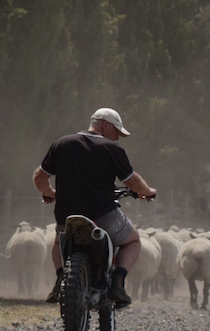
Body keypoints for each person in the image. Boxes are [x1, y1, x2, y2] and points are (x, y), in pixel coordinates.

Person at [33, 107, 156, 307]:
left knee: (57, 242)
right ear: (105, 125)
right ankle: (118, 282)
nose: (117, 138)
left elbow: (40, 177)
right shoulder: (112, 149)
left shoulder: (62, 143)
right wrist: (148, 191)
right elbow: (132, 182)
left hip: (67, 215)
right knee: (133, 240)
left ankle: (60, 280)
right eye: (116, 132)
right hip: (103, 216)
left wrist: (50, 194)